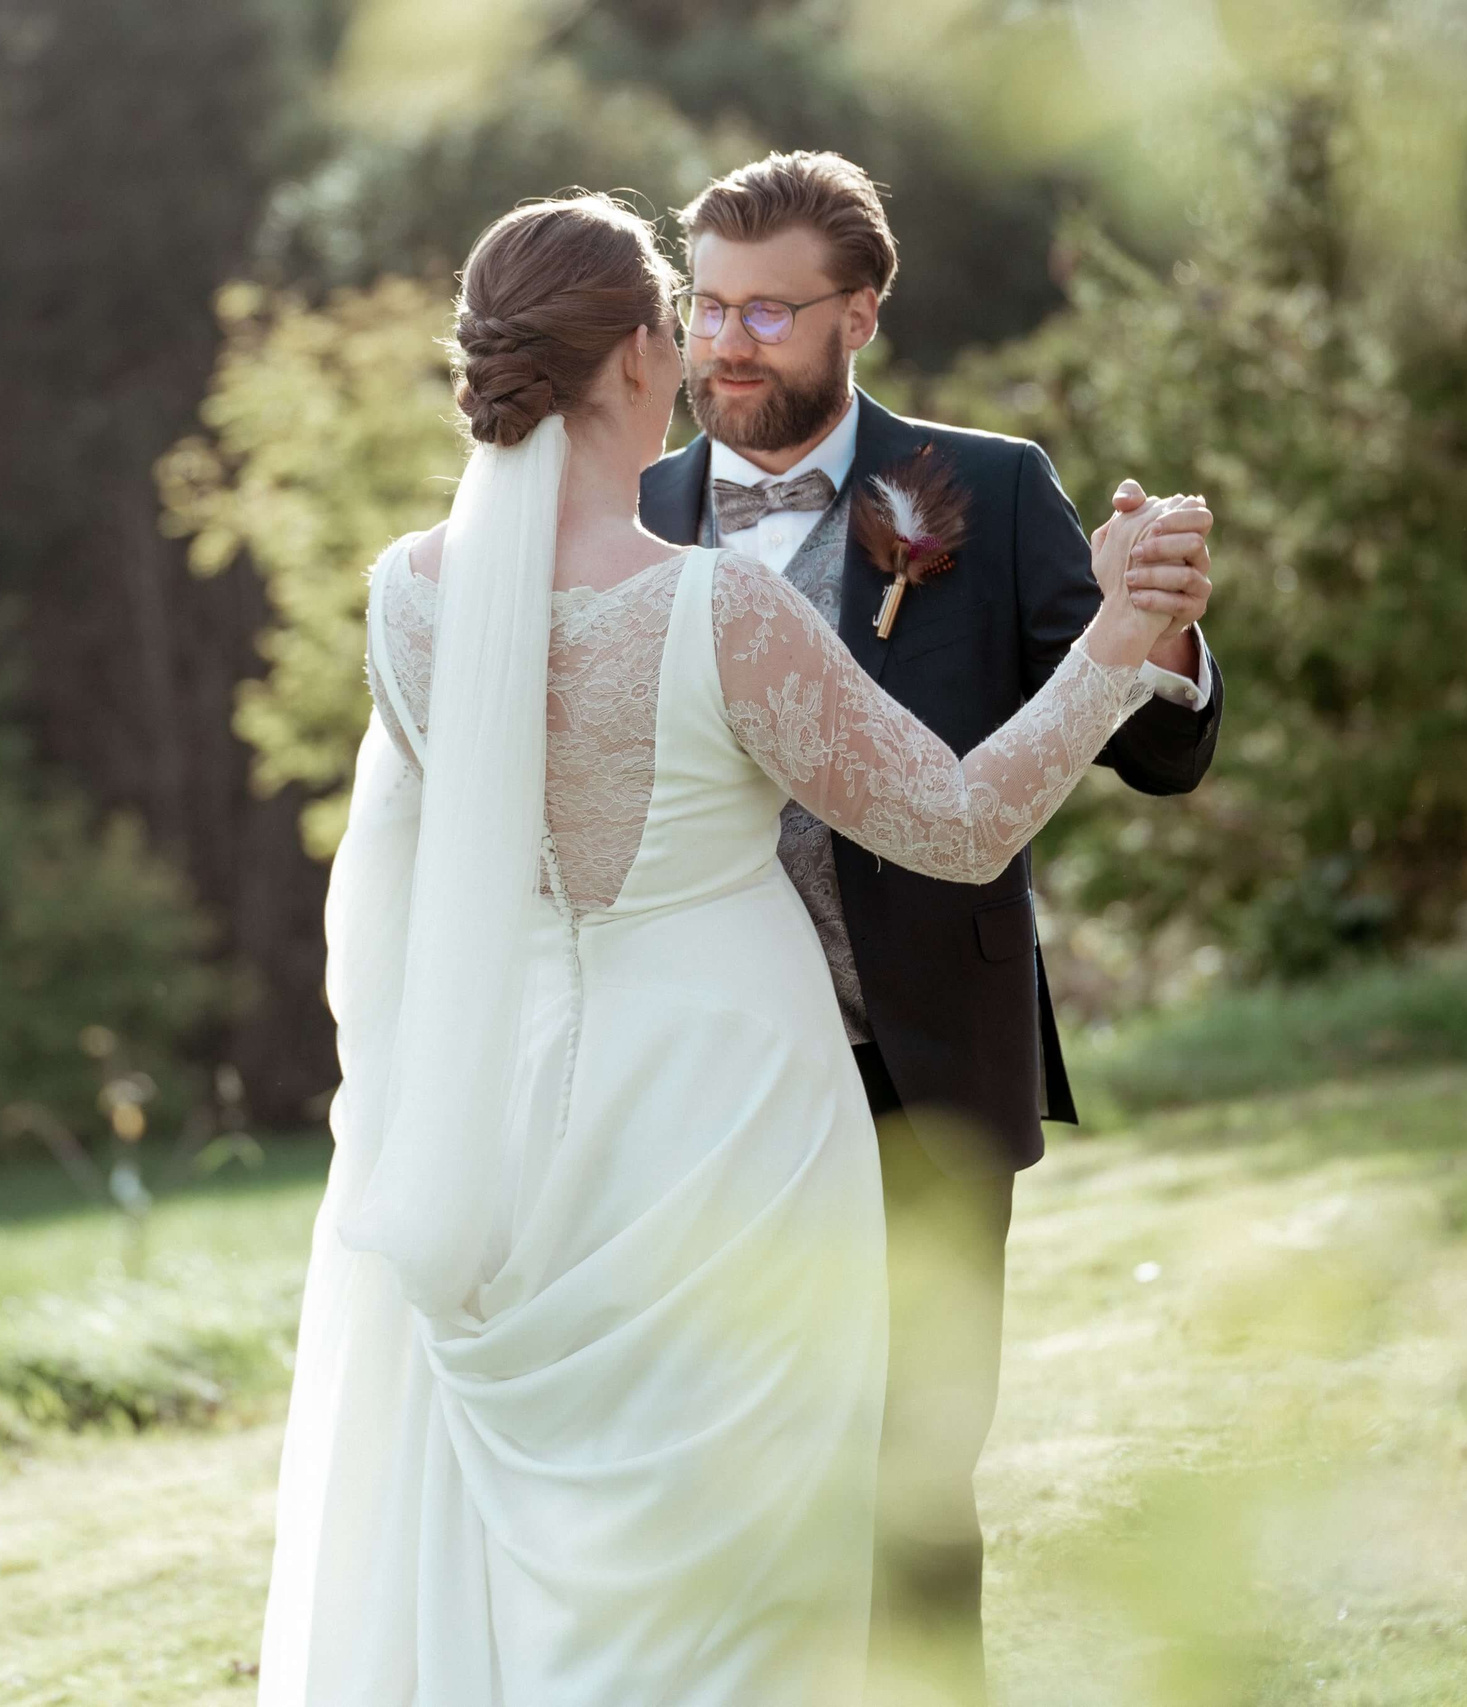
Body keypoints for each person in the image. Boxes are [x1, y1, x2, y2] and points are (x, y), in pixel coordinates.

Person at [255, 188, 1212, 1705]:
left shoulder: (403, 603)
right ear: (644, 351)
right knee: (772, 1538)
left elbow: (385, 897)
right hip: (734, 1119)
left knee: (570, 1539)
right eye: (694, 317)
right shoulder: (717, 607)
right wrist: (1106, 656)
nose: (713, 348)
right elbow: (957, 824)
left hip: (521, 1115)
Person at [640, 151, 1219, 1695]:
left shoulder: (992, 488)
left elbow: (1159, 755)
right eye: (706, 305)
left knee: (915, 1473)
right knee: (721, 1466)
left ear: (861, 316)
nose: (728, 341)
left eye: (770, 310)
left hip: (920, 1069)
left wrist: (1155, 633)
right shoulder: (619, 514)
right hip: (692, 1082)